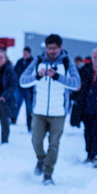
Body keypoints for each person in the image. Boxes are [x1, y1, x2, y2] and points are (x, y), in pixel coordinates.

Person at [18, 33, 80, 185]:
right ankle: (41, 159)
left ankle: (47, 173)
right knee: (36, 141)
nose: (51, 51)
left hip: (58, 113)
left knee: (54, 144)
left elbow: (76, 83)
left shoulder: (67, 62)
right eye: (49, 48)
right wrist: (37, 77)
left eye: (54, 48)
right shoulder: (38, 60)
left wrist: (57, 76)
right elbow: (22, 81)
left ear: (60, 48)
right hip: (39, 111)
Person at [13, 47, 35, 131]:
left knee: (29, 107)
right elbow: (15, 73)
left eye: (26, 54)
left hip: (28, 89)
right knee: (17, 103)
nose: (24, 55)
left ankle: (29, 125)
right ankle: (13, 119)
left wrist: (32, 90)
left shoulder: (33, 62)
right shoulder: (19, 62)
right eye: (24, 53)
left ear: (29, 54)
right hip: (19, 87)